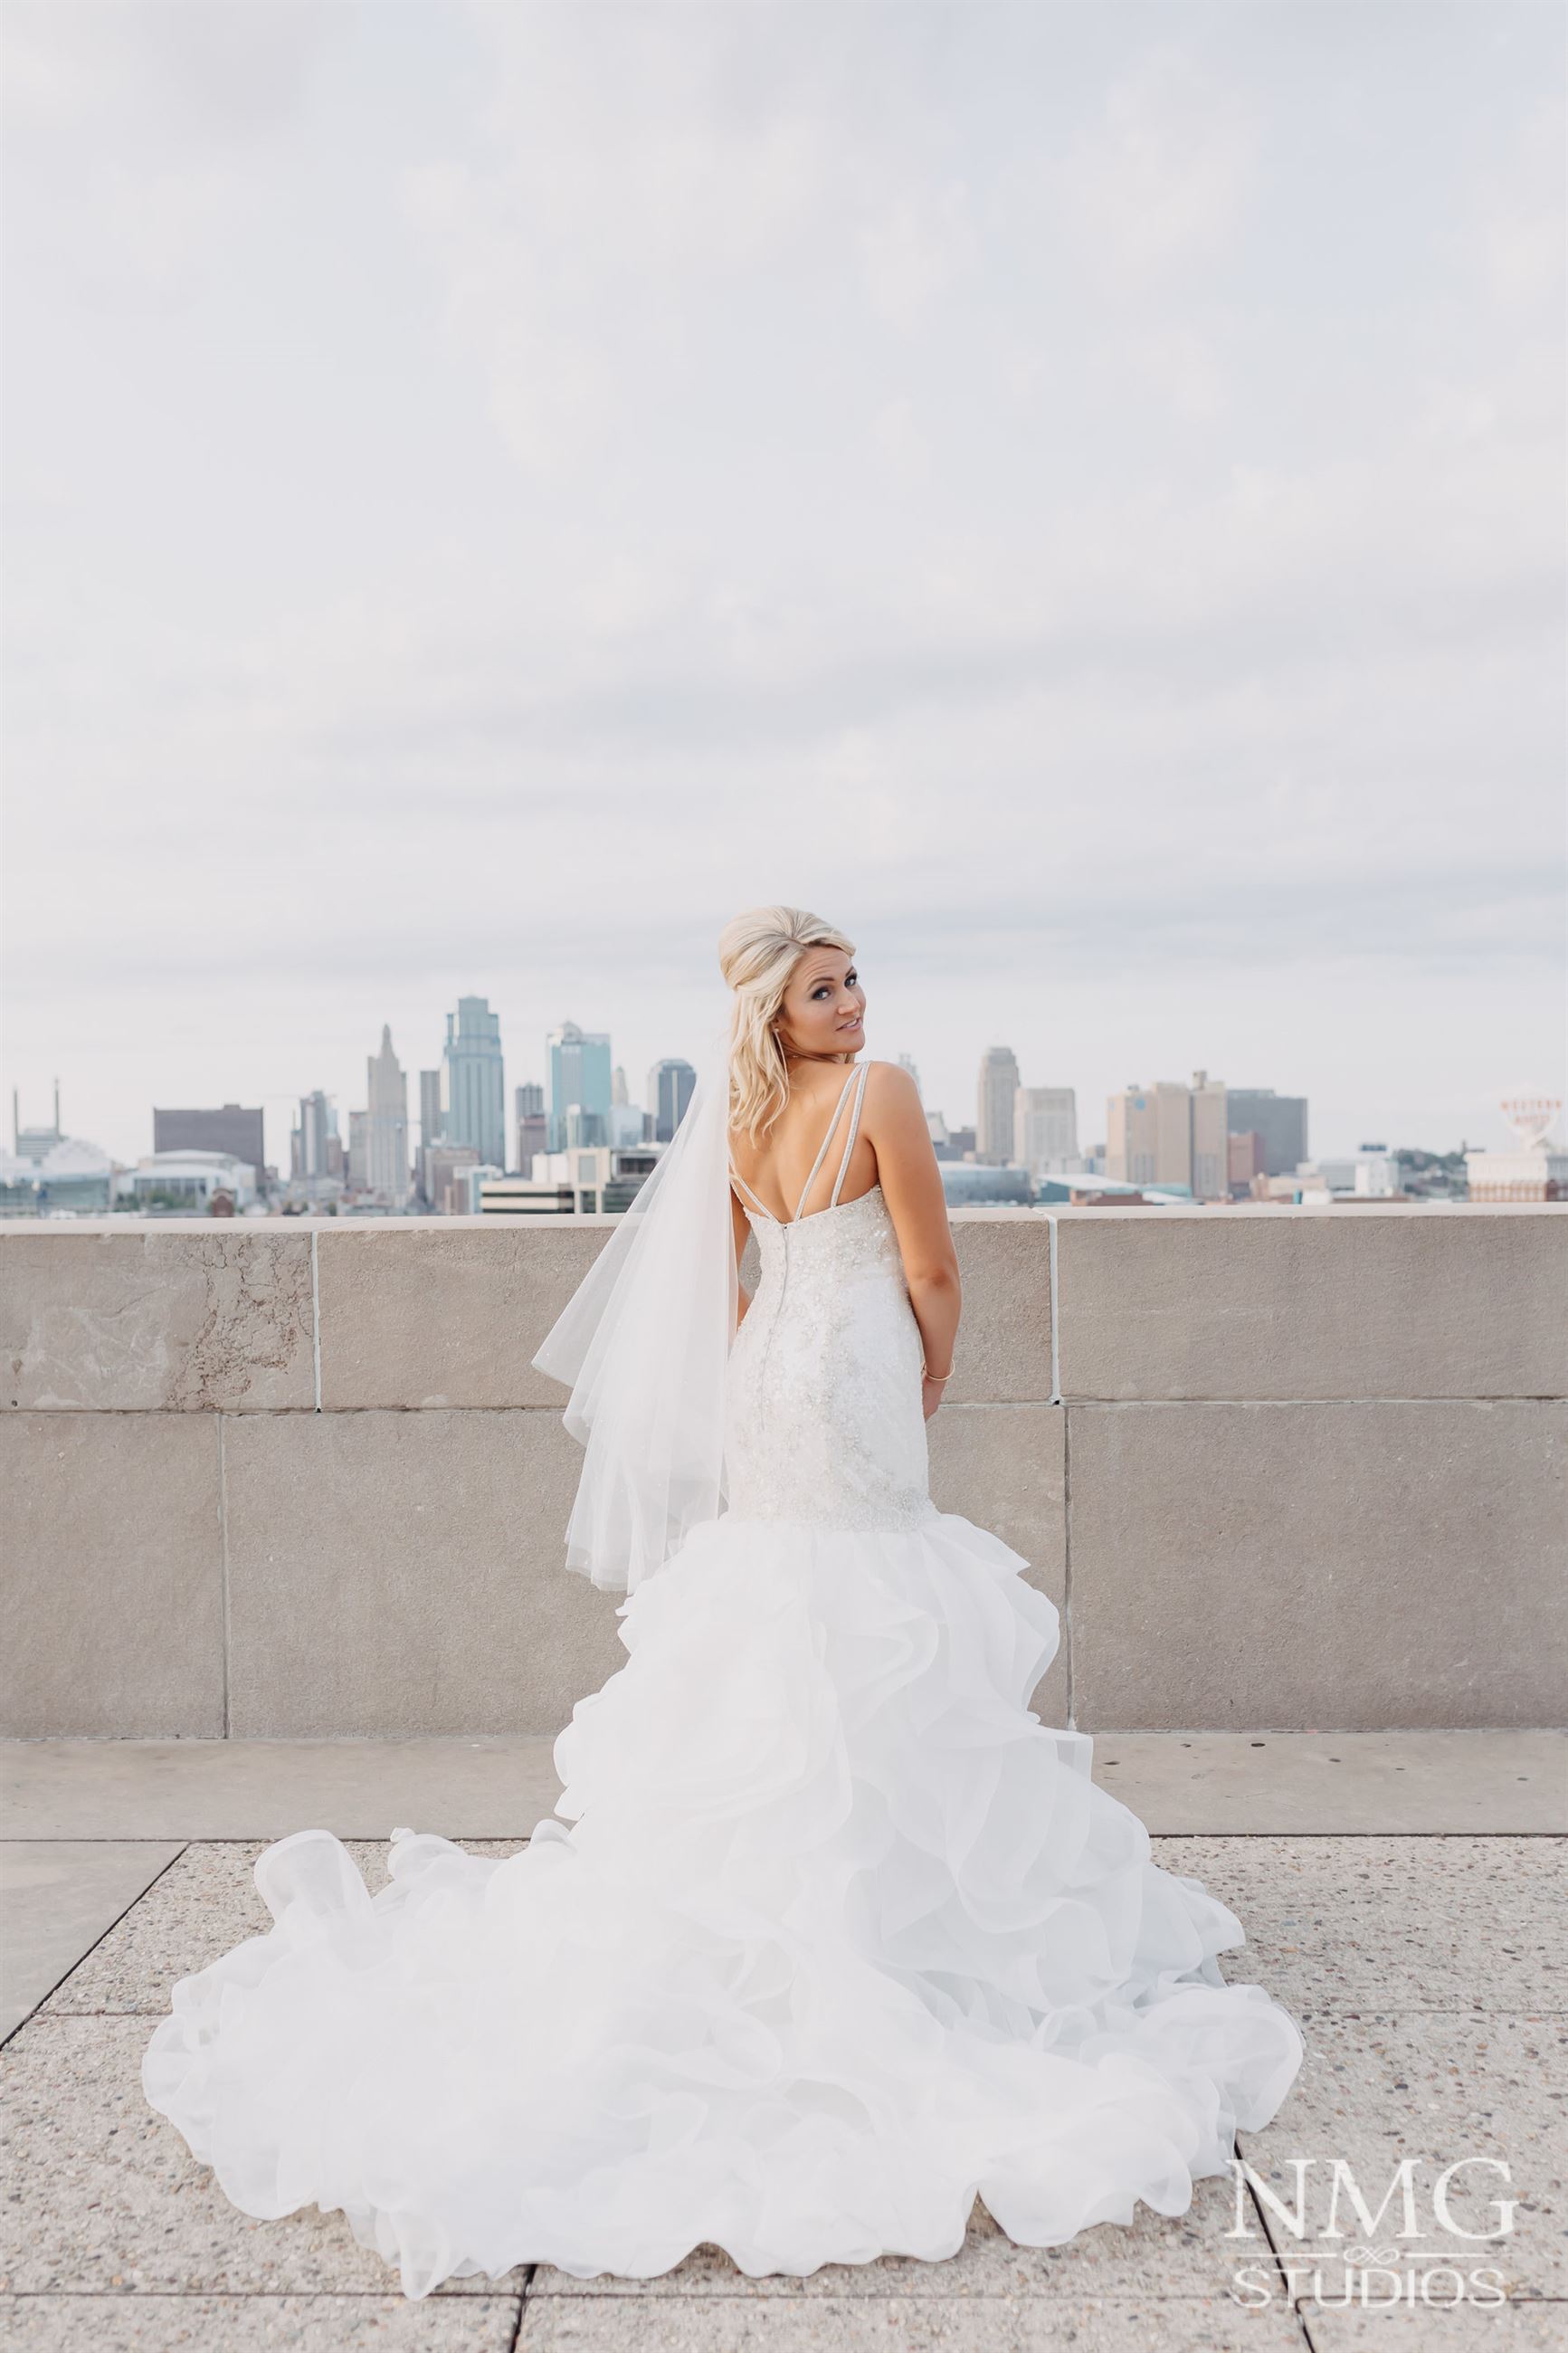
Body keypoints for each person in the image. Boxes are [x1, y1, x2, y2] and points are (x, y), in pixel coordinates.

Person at [142, 903, 1305, 2299]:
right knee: (877, 1602)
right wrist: (932, 1369)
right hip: (860, 1368)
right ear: (778, 1010)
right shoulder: (880, 1096)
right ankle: (897, 1915)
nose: (857, 1006)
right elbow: (932, 1265)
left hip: (767, 1371)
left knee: (779, 1602)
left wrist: (798, 1357)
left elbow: (727, 1279)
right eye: (826, 990)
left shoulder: (736, 1117)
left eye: (857, 981)